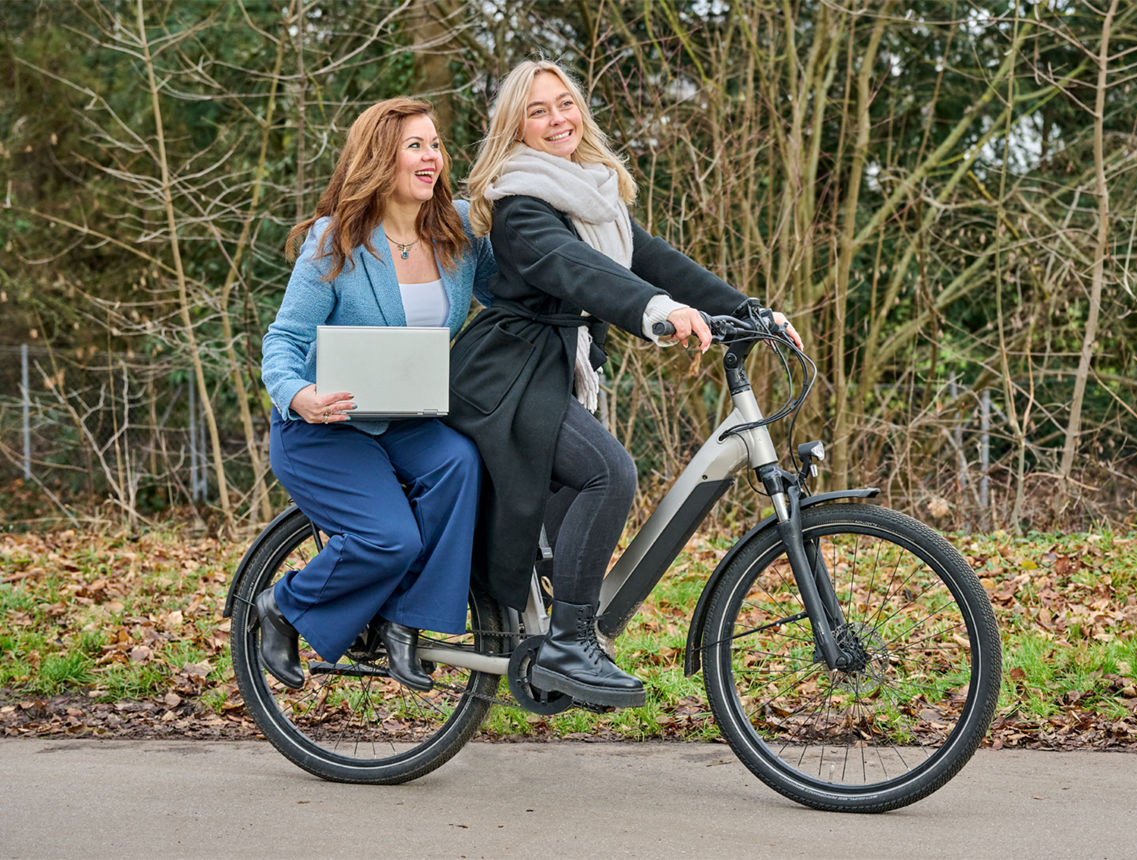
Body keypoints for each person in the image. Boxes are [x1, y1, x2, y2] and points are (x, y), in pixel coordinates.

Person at [448, 61, 800, 708]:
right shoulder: (517, 204)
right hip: (506, 379)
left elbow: (654, 259)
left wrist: (751, 312)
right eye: (538, 111)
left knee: (573, 520)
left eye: (565, 104)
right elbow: (577, 271)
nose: (558, 120)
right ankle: (566, 647)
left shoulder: (591, 194)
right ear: (515, 128)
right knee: (611, 473)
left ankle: (559, 631)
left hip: (550, 375)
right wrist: (658, 312)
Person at [258, 97, 495, 692]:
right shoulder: (336, 241)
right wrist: (299, 395)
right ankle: (283, 605)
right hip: (326, 427)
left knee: (461, 464)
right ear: (379, 158)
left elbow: (515, 288)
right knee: (391, 538)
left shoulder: (460, 231)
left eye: (436, 144)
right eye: (415, 145)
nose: (432, 157)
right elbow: (283, 340)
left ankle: (405, 625)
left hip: (405, 421)